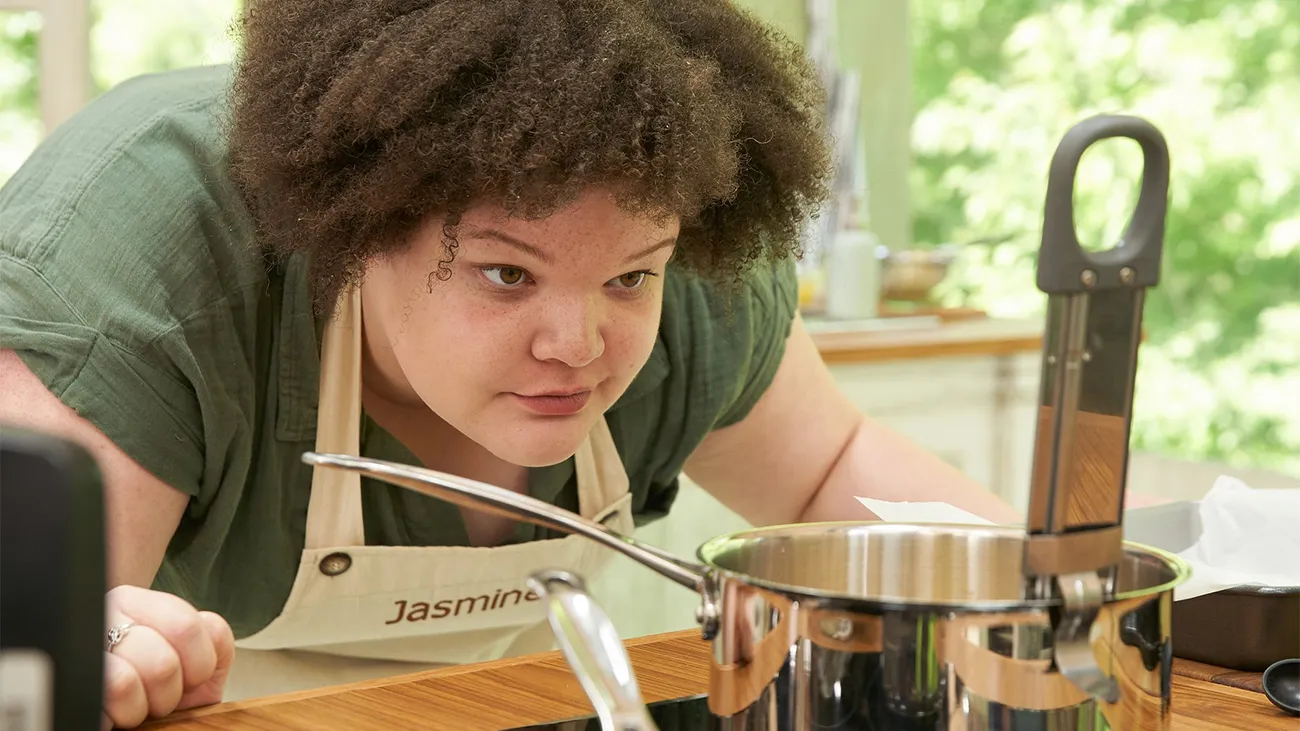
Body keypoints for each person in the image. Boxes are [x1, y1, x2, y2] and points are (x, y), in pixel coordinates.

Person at [0, 0, 1021, 727]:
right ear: (353, 227)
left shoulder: (698, 257)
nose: (578, 345)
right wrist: (108, 645)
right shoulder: (147, 259)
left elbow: (824, 467)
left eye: (630, 278)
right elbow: (41, 648)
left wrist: (1059, 587)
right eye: (503, 273)